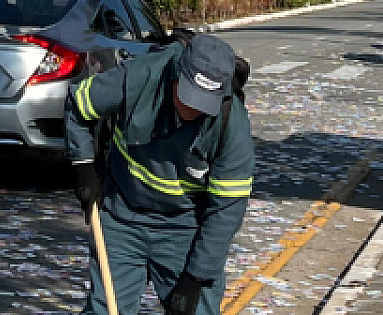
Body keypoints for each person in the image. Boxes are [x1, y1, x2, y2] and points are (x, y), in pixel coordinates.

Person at [66, 34, 254, 315]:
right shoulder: (139, 77)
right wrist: (84, 167)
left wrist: (195, 279)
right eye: (189, 97)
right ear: (176, 75)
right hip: (123, 217)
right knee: (106, 309)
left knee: (196, 310)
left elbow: (226, 210)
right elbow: (78, 106)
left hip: (186, 227)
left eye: (203, 103)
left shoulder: (231, 123)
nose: (192, 110)